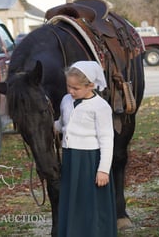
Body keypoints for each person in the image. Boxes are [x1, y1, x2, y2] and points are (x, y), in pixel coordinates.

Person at [55, 61, 117, 237]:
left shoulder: (100, 107)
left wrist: (103, 170)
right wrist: (50, 126)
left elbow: (107, 139)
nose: (70, 91)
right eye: (68, 86)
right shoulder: (66, 100)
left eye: (75, 88)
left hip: (90, 161)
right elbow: (63, 124)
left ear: (90, 85)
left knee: (91, 203)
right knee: (72, 201)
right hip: (70, 158)